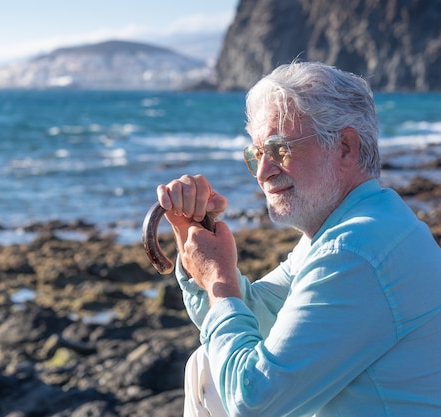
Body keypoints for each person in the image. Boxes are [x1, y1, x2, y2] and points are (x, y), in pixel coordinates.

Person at [156, 61, 441, 416]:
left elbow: (253, 401)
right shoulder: (361, 225)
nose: (262, 172)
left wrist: (219, 278)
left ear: (345, 147)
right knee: (207, 366)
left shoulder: (353, 250)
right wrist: (193, 239)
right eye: (256, 154)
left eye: (278, 149)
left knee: (214, 372)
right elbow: (260, 315)